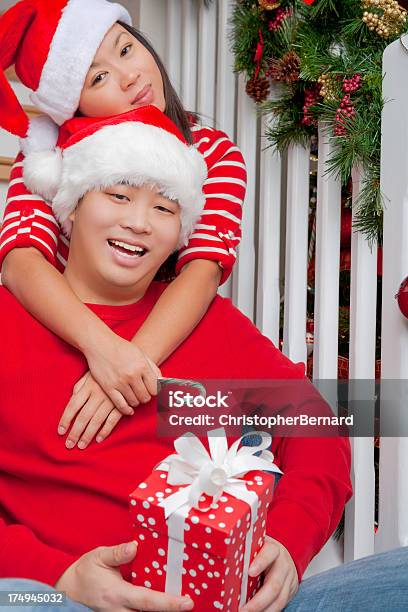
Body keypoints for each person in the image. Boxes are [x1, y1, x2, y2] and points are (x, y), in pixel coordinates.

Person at [0, 106, 352, 611]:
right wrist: (57, 577)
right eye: (118, 194)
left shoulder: (213, 326)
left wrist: (288, 544)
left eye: (165, 209)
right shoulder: (9, 326)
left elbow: (320, 425)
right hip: (62, 598)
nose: (139, 222)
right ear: (72, 204)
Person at [0, 0, 246, 449]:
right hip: (59, 339)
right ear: (72, 107)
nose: (129, 76)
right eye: (98, 77)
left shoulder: (212, 151)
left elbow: (204, 267)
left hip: (158, 342)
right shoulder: (44, 161)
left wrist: (131, 362)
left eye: (127, 50)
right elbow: (21, 260)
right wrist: (103, 349)